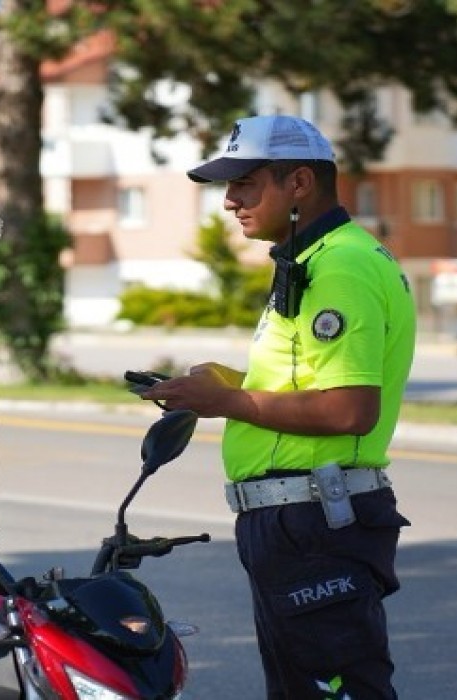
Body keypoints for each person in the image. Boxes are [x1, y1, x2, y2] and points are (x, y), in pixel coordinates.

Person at [142, 115, 416, 700]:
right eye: (228, 186)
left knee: (335, 690)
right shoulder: (315, 256)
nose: (230, 201)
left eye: (245, 183)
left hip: (314, 518)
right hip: (299, 519)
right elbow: (312, 383)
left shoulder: (338, 265)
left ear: (298, 183)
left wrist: (228, 401)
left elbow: (349, 411)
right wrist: (226, 384)